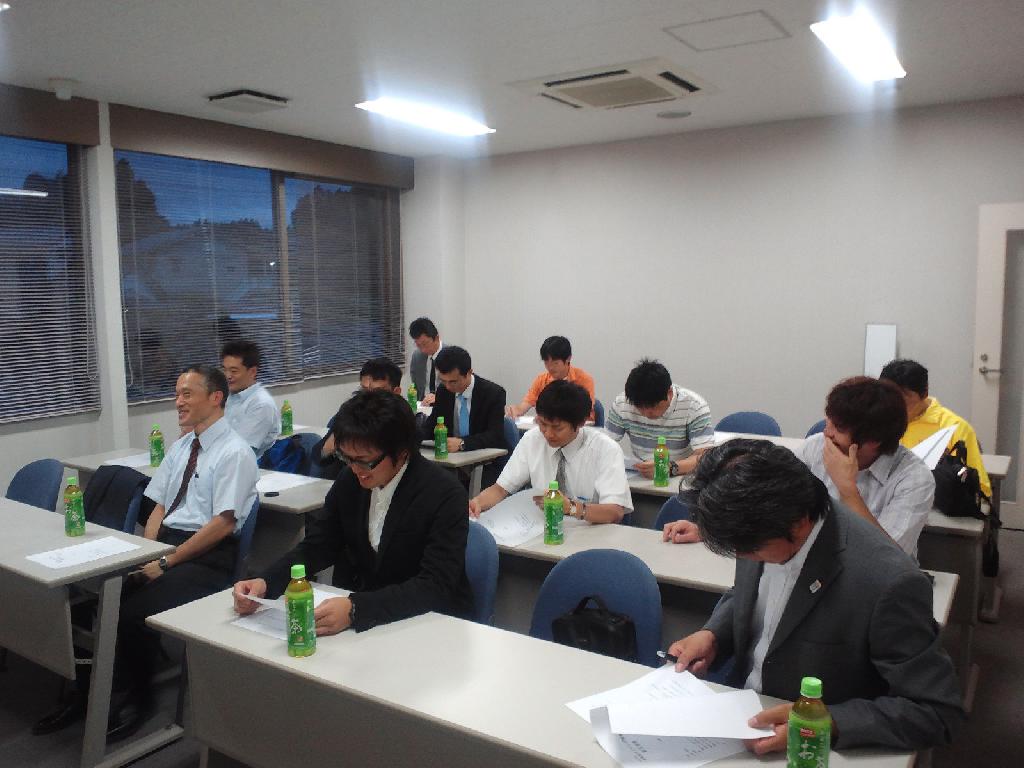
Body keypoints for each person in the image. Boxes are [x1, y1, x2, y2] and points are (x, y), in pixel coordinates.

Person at [668, 439, 962, 754]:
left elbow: (936, 711)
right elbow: (751, 594)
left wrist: (824, 723)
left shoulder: (887, 581)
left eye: (749, 549)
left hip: (817, 748)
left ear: (798, 523)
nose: (742, 556)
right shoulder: (758, 525)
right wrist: (714, 635)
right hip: (745, 717)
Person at [34, 365, 259, 740]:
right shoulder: (183, 446)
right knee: (90, 597)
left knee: (130, 614)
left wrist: (167, 561)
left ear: (215, 398)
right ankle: (86, 694)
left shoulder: (235, 452)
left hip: (207, 556)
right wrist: (148, 553)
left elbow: (222, 524)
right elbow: (158, 506)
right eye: (177, 394)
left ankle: (138, 698)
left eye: (187, 394)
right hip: (167, 546)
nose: (178, 402)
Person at [234, 389, 474, 633]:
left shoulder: (444, 493)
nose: (355, 468)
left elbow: (435, 585)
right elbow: (320, 544)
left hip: (431, 624)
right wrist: (267, 582)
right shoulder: (350, 480)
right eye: (346, 457)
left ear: (402, 452)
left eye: (365, 461)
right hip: (371, 619)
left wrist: (356, 609)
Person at [799, 376, 935, 556]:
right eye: (828, 421)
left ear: (873, 441)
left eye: (839, 428)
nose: (826, 433)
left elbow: (889, 557)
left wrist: (847, 490)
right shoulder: (815, 447)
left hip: (873, 570)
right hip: (815, 559)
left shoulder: (915, 479)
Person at [471, 380, 631, 524]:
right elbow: (500, 489)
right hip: (542, 531)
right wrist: (477, 503)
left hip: (590, 532)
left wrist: (572, 508)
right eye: (542, 424)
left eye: (557, 428)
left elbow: (615, 512)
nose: (548, 433)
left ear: (581, 423)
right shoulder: (532, 439)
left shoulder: (605, 449)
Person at [880, 358, 992, 498]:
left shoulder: (954, 427)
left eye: (902, 401)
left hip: (933, 502)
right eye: (886, 399)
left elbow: (980, 489)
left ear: (924, 393)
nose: (893, 408)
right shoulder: (876, 420)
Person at [605, 358, 714, 479]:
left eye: (653, 406)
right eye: (640, 407)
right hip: (640, 475)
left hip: (679, 476)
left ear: (669, 393)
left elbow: (705, 458)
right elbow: (604, 444)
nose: (646, 413)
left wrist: (668, 468)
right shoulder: (622, 403)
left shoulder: (694, 406)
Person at [420, 345, 507, 486]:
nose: (448, 386)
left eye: (453, 381)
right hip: (451, 463)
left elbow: (495, 436)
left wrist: (462, 443)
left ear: (469, 372)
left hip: (484, 464)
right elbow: (431, 425)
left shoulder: (493, 393)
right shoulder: (443, 391)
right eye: (443, 381)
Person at [312, 357, 403, 480]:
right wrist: (332, 445)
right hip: (346, 481)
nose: (369, 398)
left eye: (377, 392)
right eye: (364, 390)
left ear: (396, 392)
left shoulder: (402, 419)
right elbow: (318, 456)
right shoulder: (351, 412)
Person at [505, 335, 596, 421]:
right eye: (546, 363)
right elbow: (525, 404)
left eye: (555, 363)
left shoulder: (584, 380)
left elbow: (584, 413)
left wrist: (549, 419)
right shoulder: (541, 380)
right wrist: (516, 409)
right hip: (548, 429)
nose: (550, 367)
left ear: (568, 358)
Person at [222, 339, 280, 458]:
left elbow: (240, 452)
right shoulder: (228, 397)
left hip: (249, 465)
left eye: (233, 371)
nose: (227, 376)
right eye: (225, 370)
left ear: (252, 372)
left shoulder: (261, 404)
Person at [409, 316, 444, 406]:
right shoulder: (417, 357)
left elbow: (458, 390)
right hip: (423, 406)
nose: (423, 350)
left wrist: (439, 398)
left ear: (436, 338)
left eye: (425, 344)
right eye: (418, 345)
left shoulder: (451, 356)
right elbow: (415, 388)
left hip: (444, 405)